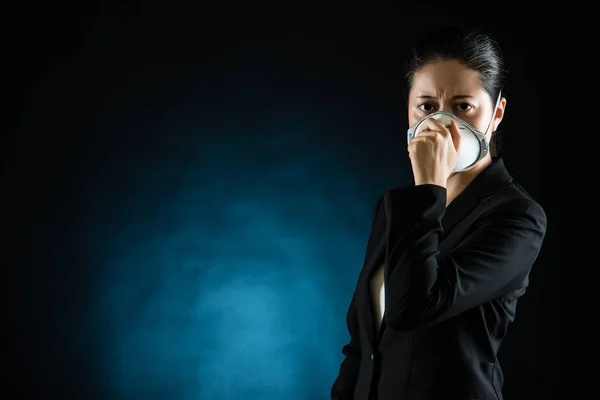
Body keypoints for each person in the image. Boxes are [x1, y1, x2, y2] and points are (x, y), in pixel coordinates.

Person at [330, 25, 547, 400]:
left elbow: (414, 307)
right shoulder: (395, 207)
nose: (442, 126)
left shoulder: (517, 216)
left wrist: (430, 185)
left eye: (463, 107)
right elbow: (364, 343)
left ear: (496, 114)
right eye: (427, 107)